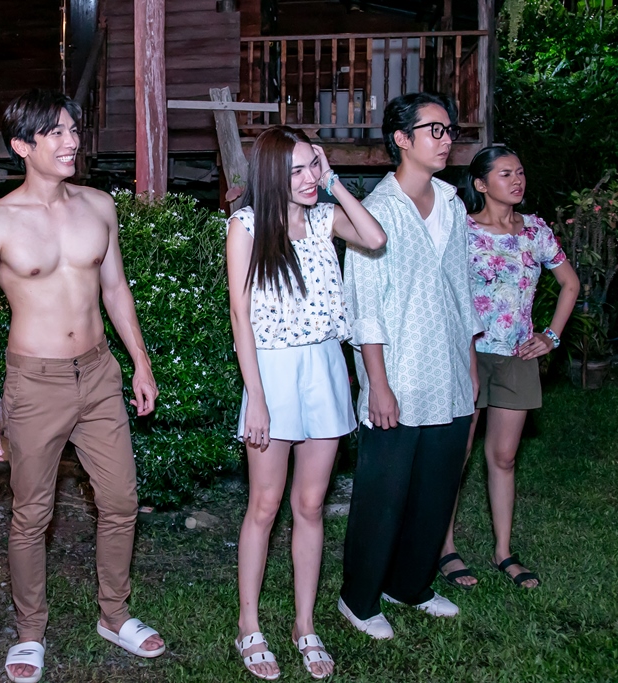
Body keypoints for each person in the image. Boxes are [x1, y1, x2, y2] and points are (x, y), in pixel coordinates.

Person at [0, 89, 165, 683]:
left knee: (121, 500)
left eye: (73, 130)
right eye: (55, 132)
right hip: (35, 382)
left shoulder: (99, 206)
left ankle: (114, 614)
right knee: (32, 513)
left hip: (99, 373)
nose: (71, 141)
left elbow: (116, 290)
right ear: (22, 146)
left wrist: (141, 362)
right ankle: (30, 632)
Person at [227, 126, 386, 680]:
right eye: (296, 169)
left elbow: (374, 237)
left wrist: (334, 179)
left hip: (324, 366)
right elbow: (240, 317)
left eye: (312, 165)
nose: (308, 178)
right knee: (265, 504)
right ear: (272, 175)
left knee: (312, 505)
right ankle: (249, 624)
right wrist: (257, 399)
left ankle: (304, 623)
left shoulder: (324, 218)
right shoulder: (247, 226)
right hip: (271, 370)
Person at [339, 93, 485, 640]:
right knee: (384, 495)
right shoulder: (376, 211)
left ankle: (411, 585)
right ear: (402, 139)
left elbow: (462, 292)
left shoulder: (452, 203)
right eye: (434, 130)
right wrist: (377, 385)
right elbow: (365, 307)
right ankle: (358, 598)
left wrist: (470, 364)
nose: (446, 140)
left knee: (436, 489)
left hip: (448, 371)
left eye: (449, 130)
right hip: (398, 375)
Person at [437, 146, 579, 590]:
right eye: (504, 174)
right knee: (457, 455)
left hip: (518, 356)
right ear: (480, 184)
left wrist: (550, 337)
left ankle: (503, 551)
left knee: (504, 457)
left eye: (519, 172)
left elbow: (570, 283)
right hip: (469, 355)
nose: (517, 180)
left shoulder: (535, 230)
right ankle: (445, 547)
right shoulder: (461, 229)